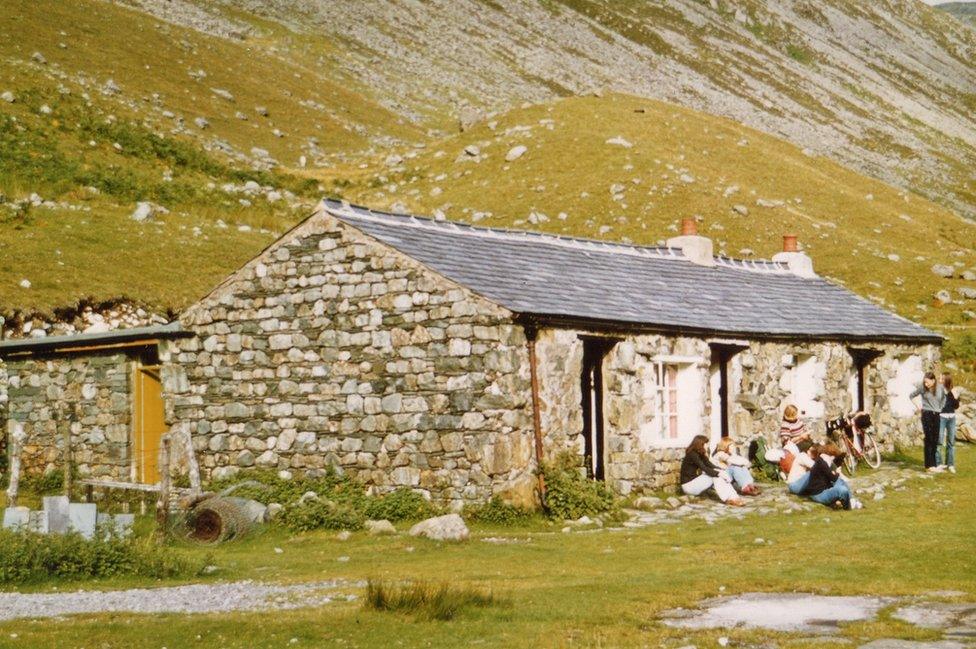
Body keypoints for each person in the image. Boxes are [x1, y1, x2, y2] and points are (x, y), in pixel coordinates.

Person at [679, 435, 744, 506]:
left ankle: (734, 497)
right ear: (700, 444)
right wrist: (719, 473)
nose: (707, 445)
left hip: (694, 483)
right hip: (688, 486)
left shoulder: (700, 453)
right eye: (706, 443)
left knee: (718, 474)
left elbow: (710, 465)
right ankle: (729, 499)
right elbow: (704, 468)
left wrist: (721, 470)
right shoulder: (692, 455)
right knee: (715, 476)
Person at [800, 444, 857, 509]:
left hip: (819, 492)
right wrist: (837, 472)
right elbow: (833, 479)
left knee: (841, 482)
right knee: (842, 490)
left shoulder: (820, 461)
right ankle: (849, 505)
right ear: (831, 456)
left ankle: (849, 501)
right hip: (818, 494)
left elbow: (830, 477)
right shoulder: (822, 463)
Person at [910, 372, 946, 472]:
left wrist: (940, 408)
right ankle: (929, 466)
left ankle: (934, 464)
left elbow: (944, 399)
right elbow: (911, 396)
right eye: (924, 382)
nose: (926, 384)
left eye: (927, 382)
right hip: (927, 415)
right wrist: (918, 407)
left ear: (933, 380)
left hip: (937, 415)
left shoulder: (940, 388)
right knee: (929, 439)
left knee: (935, 439)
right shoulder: (922, 388)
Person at [939, 374, 959, 474]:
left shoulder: (952, 391)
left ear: (946, 380)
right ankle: (939, 464)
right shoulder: (938, 390)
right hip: (941, 417)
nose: (939, 380)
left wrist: (955, 397)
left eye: (942, 378)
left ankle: (950, 464)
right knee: (939, 440)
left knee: (951, 442)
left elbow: (956, 406)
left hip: (951, 417)